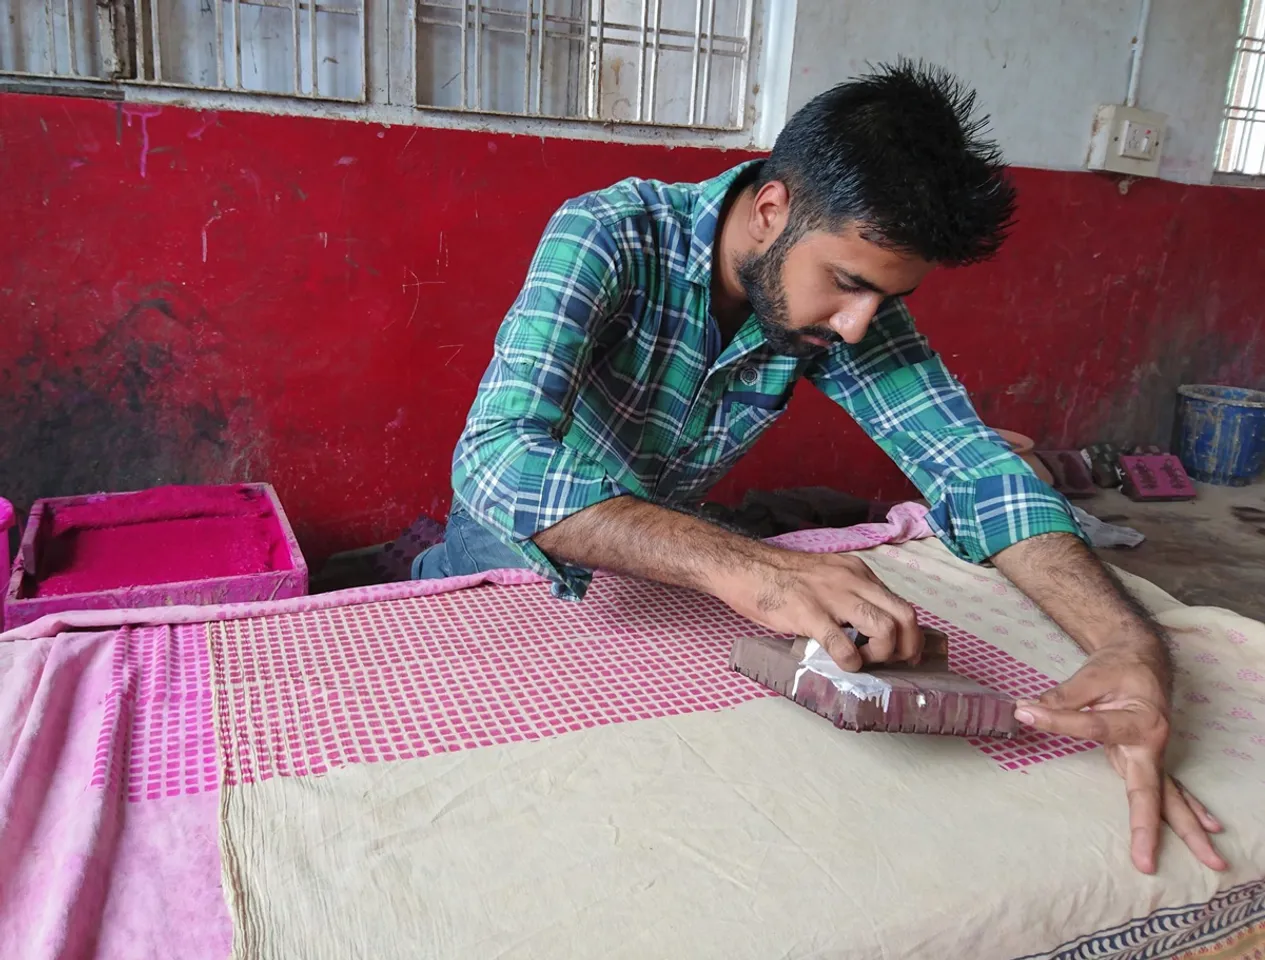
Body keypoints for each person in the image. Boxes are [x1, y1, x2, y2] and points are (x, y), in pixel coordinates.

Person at [413, 60, 1226, 875]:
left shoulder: (845, 306)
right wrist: (756, 572)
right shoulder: (608, 232)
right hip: (512, 560)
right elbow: (498, 456)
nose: (854, 324)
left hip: (665, 573)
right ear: (772, 211)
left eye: (884, 298)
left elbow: (973, 470)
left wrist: (1125, 646)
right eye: (844, 284)